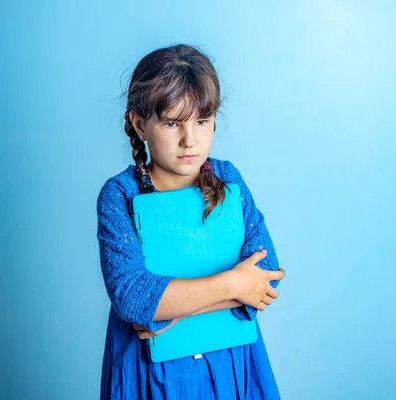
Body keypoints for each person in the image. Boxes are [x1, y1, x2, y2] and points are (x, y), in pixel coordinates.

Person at [97, 44, 286, 400]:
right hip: (149, 372)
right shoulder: (118, 195)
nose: (191, 140)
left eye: (202, 121)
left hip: (232, 363)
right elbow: (134, 299)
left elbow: (266, 277)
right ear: (140, 124)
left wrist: (171, 313)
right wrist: (234, 285)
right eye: (172, 123)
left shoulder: (228, 178)